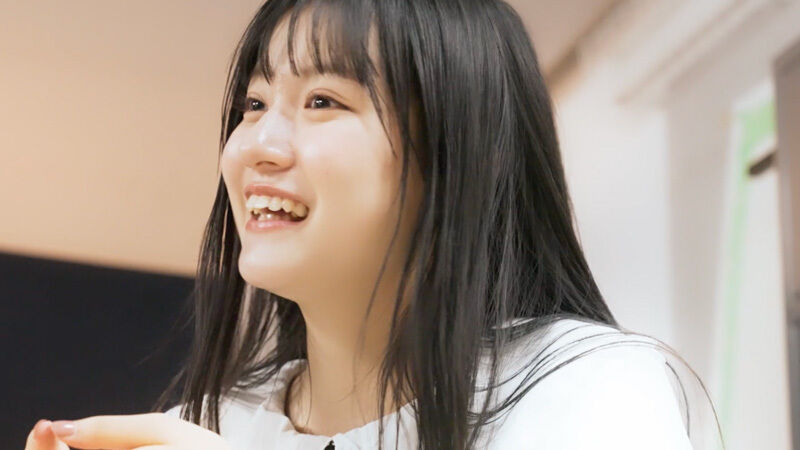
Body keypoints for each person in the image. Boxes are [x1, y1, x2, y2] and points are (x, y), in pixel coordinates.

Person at [25, 0, 722, 449]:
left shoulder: (590, 388)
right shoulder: (210, 425)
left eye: (323, 101)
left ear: (457, 155)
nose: (259, 145)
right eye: (254, 103)